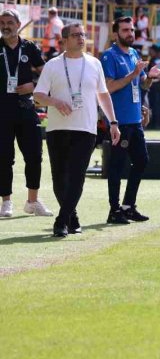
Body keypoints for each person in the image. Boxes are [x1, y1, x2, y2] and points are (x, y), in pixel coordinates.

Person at [34, 22, 121, 238]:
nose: (81, 38)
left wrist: (113, 122)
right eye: (75, 35)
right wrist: (55, 102)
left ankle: (61, 221)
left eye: (82, 35)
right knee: (58, 179)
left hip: (86, 129)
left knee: (76, 177)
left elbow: (103, 95)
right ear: (64, 40)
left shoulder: (94, 63)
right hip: (57, 129)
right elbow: (37, 96)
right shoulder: (53, 65)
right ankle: (71, 216)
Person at [101, 16, 160, 225]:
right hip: (119, 121)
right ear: (115, 33)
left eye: (132, 29)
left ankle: (128, 206)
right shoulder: (109, 56)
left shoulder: (135, 53)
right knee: (116, 166)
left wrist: (150, 76)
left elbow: (142, 85)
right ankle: (114, 210)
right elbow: (109, 87)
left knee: (142, 161)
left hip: (135, 120)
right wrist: (133, 73)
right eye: (126, 30)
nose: (130, 33)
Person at [0, 9, 53, 219]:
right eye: (2, 22)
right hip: (2, 111)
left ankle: (33, 201)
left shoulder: (29, 47)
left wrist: (34, 86)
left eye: (10, 22)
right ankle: (6, 202)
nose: (5, 26)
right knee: (3, 158)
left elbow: (48, 74)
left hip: (26, 108)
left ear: (18, 23)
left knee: (34, 156)